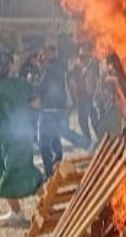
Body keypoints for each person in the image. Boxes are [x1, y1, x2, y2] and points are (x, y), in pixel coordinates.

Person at [0, 50, 44, 226]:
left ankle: (16, 211)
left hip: (3, 135)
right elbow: (36, 104)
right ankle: (50, 203)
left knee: (2, 171)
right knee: (25, 169)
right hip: (23, 132)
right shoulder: (22, 83)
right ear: (10, 65)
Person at [37, 45, 89, 177]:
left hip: (50, 109)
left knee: (45, 140)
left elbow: (42, 88)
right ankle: (57, 164)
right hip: (60, 108)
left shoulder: (49, 69)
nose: (44, 56)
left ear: (52, 53)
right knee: (56, 136)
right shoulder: (59, 67)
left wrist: (33, 85)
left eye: (46, 53)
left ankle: (49, 172)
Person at [69, 46, 101, 142]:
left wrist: (96, 93)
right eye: (81, 56)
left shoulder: (93, 66)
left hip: (91, 96)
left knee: (95, 119)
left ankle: (101, 138)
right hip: (81, 96)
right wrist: (73, 92)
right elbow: (71, 79)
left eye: (85, 55)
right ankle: (88, 139)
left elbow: (98, 79)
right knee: (82, 120)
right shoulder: (76, 66)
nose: (83, 58)